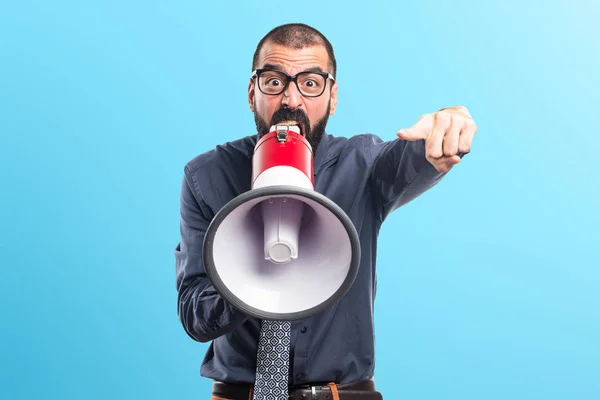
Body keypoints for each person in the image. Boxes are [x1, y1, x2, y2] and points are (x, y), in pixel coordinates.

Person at [174, 23, 477, 400]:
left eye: (311, 83)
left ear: (332, 97)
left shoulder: (364, 164)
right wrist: (254, 278)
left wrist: (446, 128)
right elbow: (195, 316)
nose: (291, 99)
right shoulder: (207, 175)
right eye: (273, 82)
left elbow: (418, 157)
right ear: (252, 93)